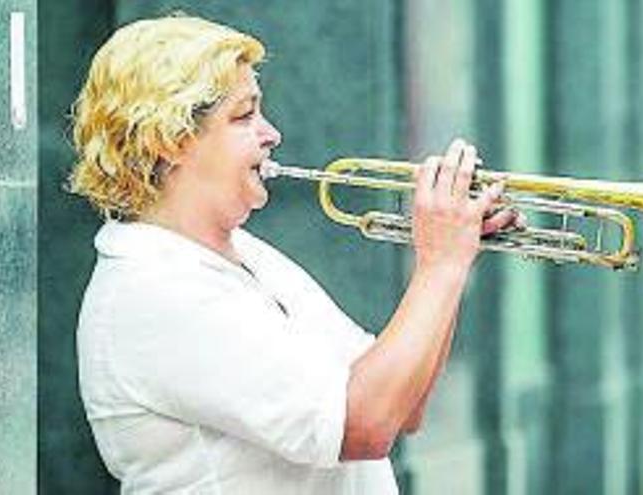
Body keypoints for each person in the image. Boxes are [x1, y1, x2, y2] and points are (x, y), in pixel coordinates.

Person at [70, 14, 518, 494]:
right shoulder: (154, 293)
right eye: (244, 116)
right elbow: (363, 425)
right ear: (171, 139)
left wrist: (455, 253)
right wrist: (440, 263)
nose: (272, 134)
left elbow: (402, 406)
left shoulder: (243, 254)